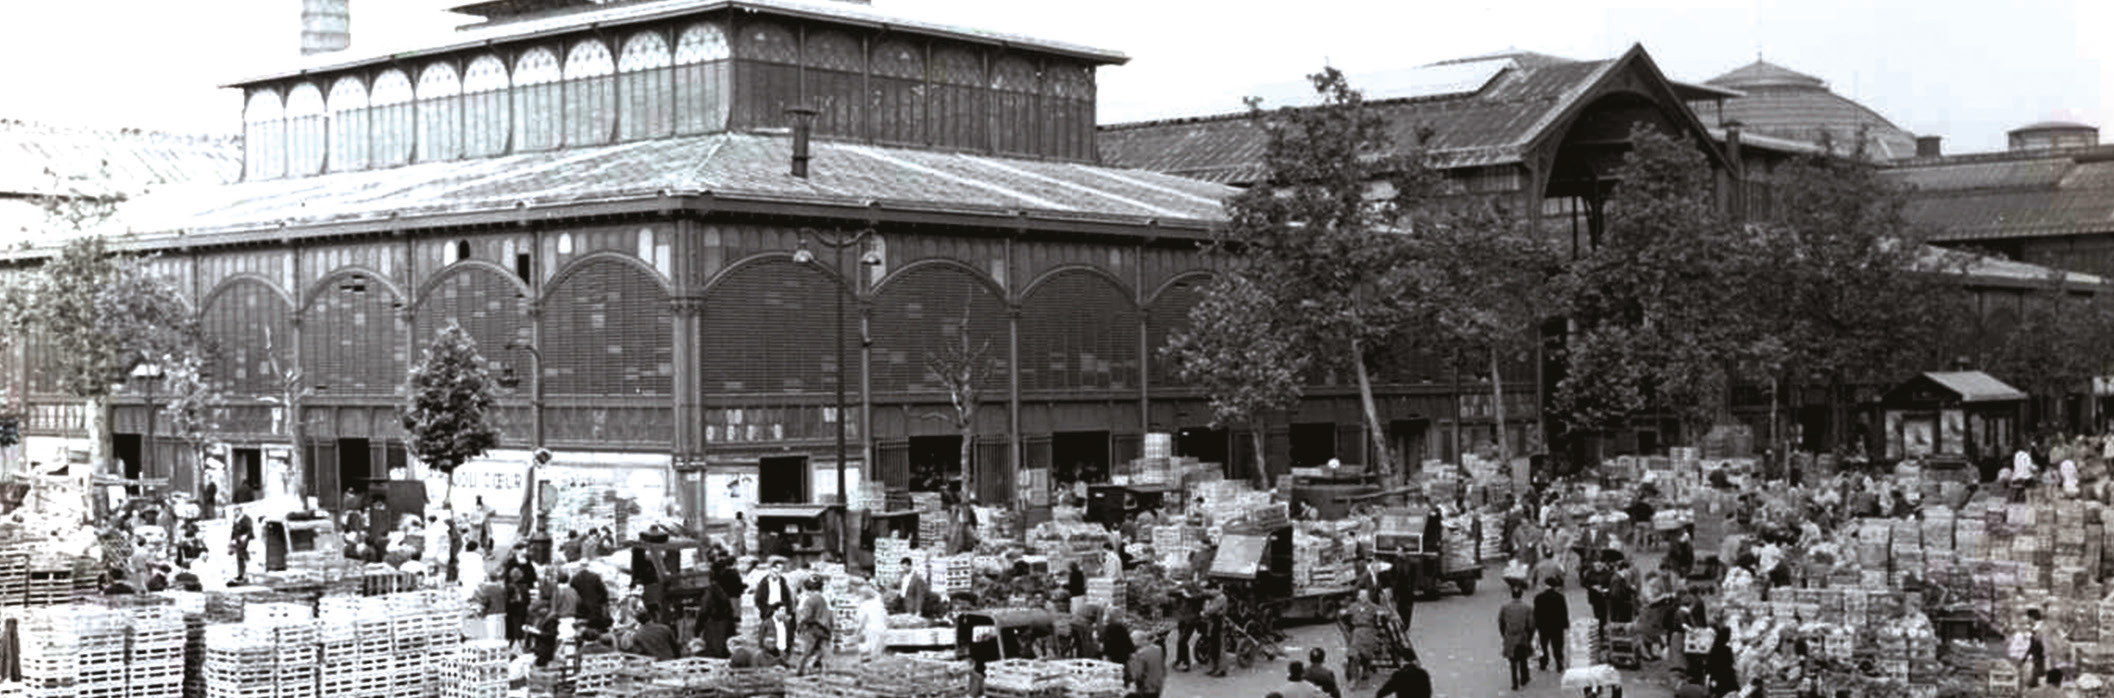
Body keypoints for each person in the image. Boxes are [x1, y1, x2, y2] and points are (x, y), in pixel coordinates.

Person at [1499, 584, 1535, 691]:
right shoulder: (1527, 608)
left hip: (1510, 636)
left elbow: (1501, 623)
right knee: (1523, 658)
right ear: (1521, 595)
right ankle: (1524, 678)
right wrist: (1530, 637)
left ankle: (1514, 681)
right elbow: (1531, 624)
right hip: (1522, 636)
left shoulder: (1505, 607)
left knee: (1513, 661)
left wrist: (1504, 634)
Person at [795, 576, 830, 674]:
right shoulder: (822, 599)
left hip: (812, 629)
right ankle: (825, 672)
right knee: (822, 652)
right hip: (823, 629)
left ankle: (800, 671)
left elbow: (806, 616)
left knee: (806, 652)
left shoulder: (809, 600)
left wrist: (800, 626)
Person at [1533, 576, 1569, 672]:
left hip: (1543, 626)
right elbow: (1563, 612)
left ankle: (1543, 663)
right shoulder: (1560, 597)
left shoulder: (1539, 598)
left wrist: (1536, 625)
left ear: (1546, 585)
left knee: (1543, 645)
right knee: (1557, 645)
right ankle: (1559, 662)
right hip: (1557, 626)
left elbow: (1536, 613)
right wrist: (1565, 624)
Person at [1125, 630, 1165, 698]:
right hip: (1158, 683)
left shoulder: (1140, 654)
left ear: (1138, 640)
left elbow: (1138, 674)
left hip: (1146, 687)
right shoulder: (1158, 649)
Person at [1706, 626, 1737, 697]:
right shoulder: (1727, 650)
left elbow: (1709, 664)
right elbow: (1731, 662)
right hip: (1726, 676)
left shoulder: (1714, 648)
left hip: (1716, 677)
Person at [230, 511, 254, 585]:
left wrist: (246, 536)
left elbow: (250, 530)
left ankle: (246, 575)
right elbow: (233, 530)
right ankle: (241, 574)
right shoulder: (235, 519)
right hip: (238, 540)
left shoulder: (246, 519)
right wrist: (232, 539)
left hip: (246, 540)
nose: (235, 513)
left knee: (244, 556)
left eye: (236, 511)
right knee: (239, 557)